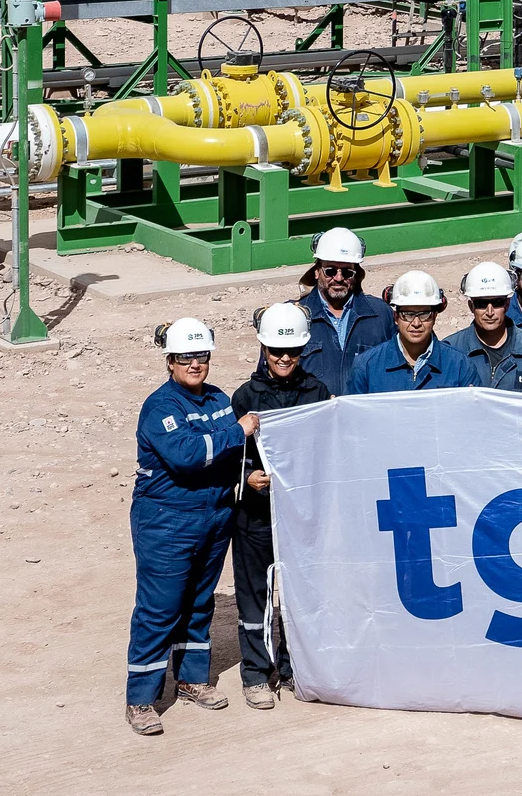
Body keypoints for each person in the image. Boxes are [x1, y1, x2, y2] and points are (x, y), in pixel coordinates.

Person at [125, 317, 258, 735]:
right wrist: (236, 432)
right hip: (167, 520)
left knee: (200, 602)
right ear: (170, 361)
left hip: (215, 515)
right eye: (185, 357)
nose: (194, 364)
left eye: (201, 356)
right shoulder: (161, 407)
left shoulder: (218, 398)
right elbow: (187, 455)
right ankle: (141, 699)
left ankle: (192, 679)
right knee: (160, 608)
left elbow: (231, 454)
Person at [230, 302, 331, 709]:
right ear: (263, 349)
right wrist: (247, 479)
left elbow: (326, 450)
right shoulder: (245, 397)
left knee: (300, 593)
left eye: (292, 351)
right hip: (255, 516)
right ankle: (256, 673)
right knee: (255, 596)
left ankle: (293, 668)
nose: (285, 358)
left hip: (300, 517)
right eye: (276, 351)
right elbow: (231, 457)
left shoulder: (317, 393)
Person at [346, 271, 485, 394]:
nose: (416, 323)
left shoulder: (459, 365)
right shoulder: (367, 366)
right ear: (396, 317)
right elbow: (351, 413)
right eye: (408, 314)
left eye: (424, 314)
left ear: (434, 317)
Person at [296, 227, 394, 397]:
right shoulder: (295, 317)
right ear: (317, 272)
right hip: (318, 413)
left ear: (356, 274)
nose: (339, 278)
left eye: (347, 272)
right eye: (330, 271)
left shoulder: (381, 315)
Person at [445, 262, 522, 391]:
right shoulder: (451, 350)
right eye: (481, 304)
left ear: (507, 304)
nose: (490, 312)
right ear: (471, 306)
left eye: (497, 302)